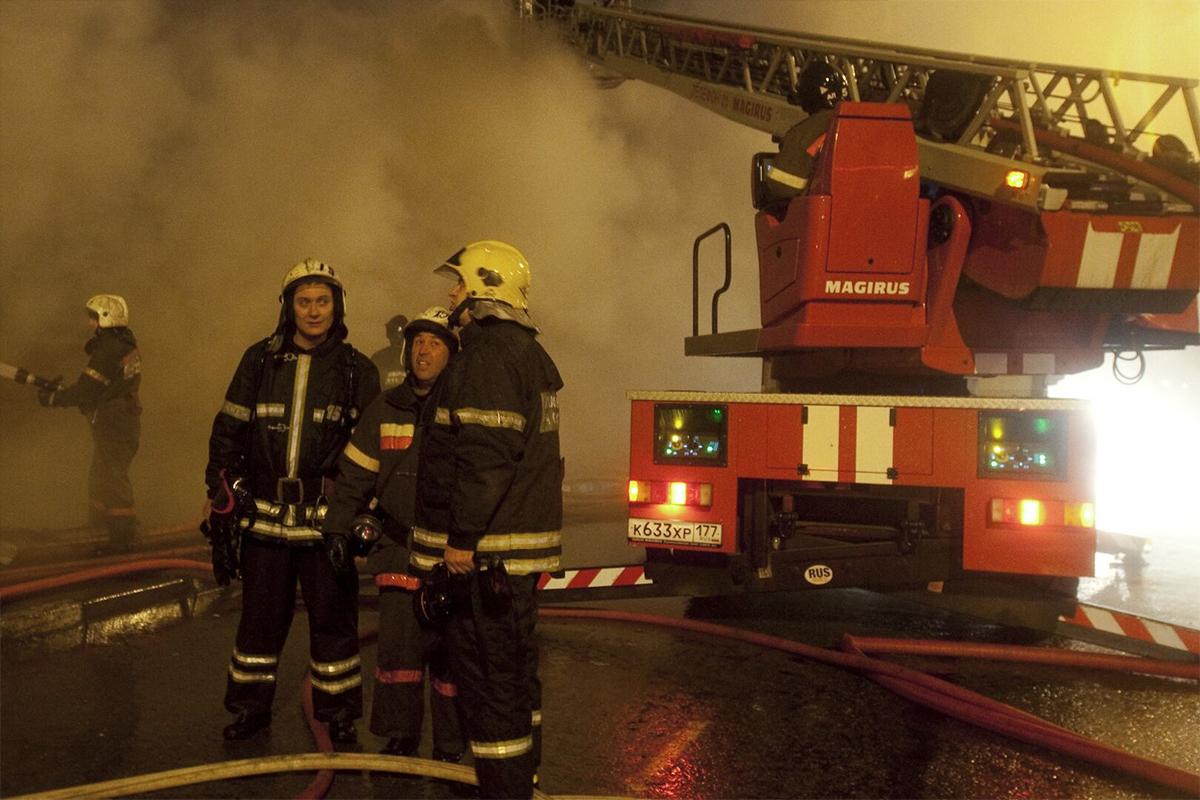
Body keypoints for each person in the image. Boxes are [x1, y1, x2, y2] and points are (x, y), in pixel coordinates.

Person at [204, 258, 380, 743]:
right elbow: (228, 432)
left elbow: (372, 452)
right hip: (263, 522)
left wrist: (361, 515)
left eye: (323, 301)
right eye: (304, 301)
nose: (314, 311)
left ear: (337, 306)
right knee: (258, 624)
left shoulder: (356, 371)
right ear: (288, 307)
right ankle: (249, 710)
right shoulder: (257, 361)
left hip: (326, 525)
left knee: (334, 625)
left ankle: (339, 715)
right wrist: (221, 492)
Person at [417, 240, 563, 799]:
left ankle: (503, 791)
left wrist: (460, 540)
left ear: (483, 289)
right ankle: (522, 778)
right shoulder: (524, 352)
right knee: (516, 673)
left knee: (489, 679)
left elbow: (485, 458)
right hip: (510, 553)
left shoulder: (487, 356)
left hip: (486, 554)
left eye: (458, 284)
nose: (451, 294)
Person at [322, 306, 465, 763]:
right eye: (417, 342)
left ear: (452, 354)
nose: (423, 351)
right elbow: (354, 478)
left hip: (450, 552)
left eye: (435, 343)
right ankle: (399, 735)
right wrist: (336, 530)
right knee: (400, 651)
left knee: (450, 657)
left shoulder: (463, 410)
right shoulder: (385, 409)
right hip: (398, 547)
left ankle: (450, 745)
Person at [37, 294, 142, 554]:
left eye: (94, 318)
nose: (90, 324)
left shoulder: (110, 350)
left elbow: (86, 390)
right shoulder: (123, 344)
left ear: (106, 318)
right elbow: (99, 386)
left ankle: (121, 537)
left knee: (112, 473)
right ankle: (100, 525)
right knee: (101, 470)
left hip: (114, 418)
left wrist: (53, 399)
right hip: (118, 415)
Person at [371, 313, 409, 391]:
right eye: (393, 334)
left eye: (401, 335)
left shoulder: (414, 358)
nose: (397, 339)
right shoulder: (379, 358)